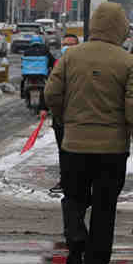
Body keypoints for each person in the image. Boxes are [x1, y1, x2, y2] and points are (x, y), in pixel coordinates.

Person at [44, 2, 133, 264]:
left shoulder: (70, 57)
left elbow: (51, 93)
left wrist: (66, 118)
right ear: (119, 29)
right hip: (111, 150)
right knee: (105, 208)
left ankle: (75, 233)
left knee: (74, 197)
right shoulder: (128, 62)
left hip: (74, 145)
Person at [49, 33, 80, 197]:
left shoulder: (84, 65)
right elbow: (50, 91)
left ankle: (79, 181)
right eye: (65, 44)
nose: (67, 47)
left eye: (71, 44)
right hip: (61, 118)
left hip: (79, 118)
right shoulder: (57, 64)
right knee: (63, 150)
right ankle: (65, 180)